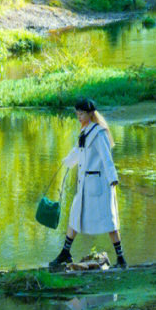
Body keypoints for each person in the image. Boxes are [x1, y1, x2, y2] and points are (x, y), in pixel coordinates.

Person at [49, 97, 126, 270]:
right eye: (77, 113)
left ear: (90, 114)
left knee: (109, 221)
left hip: (100, 185)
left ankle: (121, 258)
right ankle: (65, 252)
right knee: (74, 216)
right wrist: (66, 162)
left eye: (81, 113)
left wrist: (113, 177)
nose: (79, 117)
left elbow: (106, 157)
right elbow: (78, 151)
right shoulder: (85, 132)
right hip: (85, 184)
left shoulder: (98, 133)